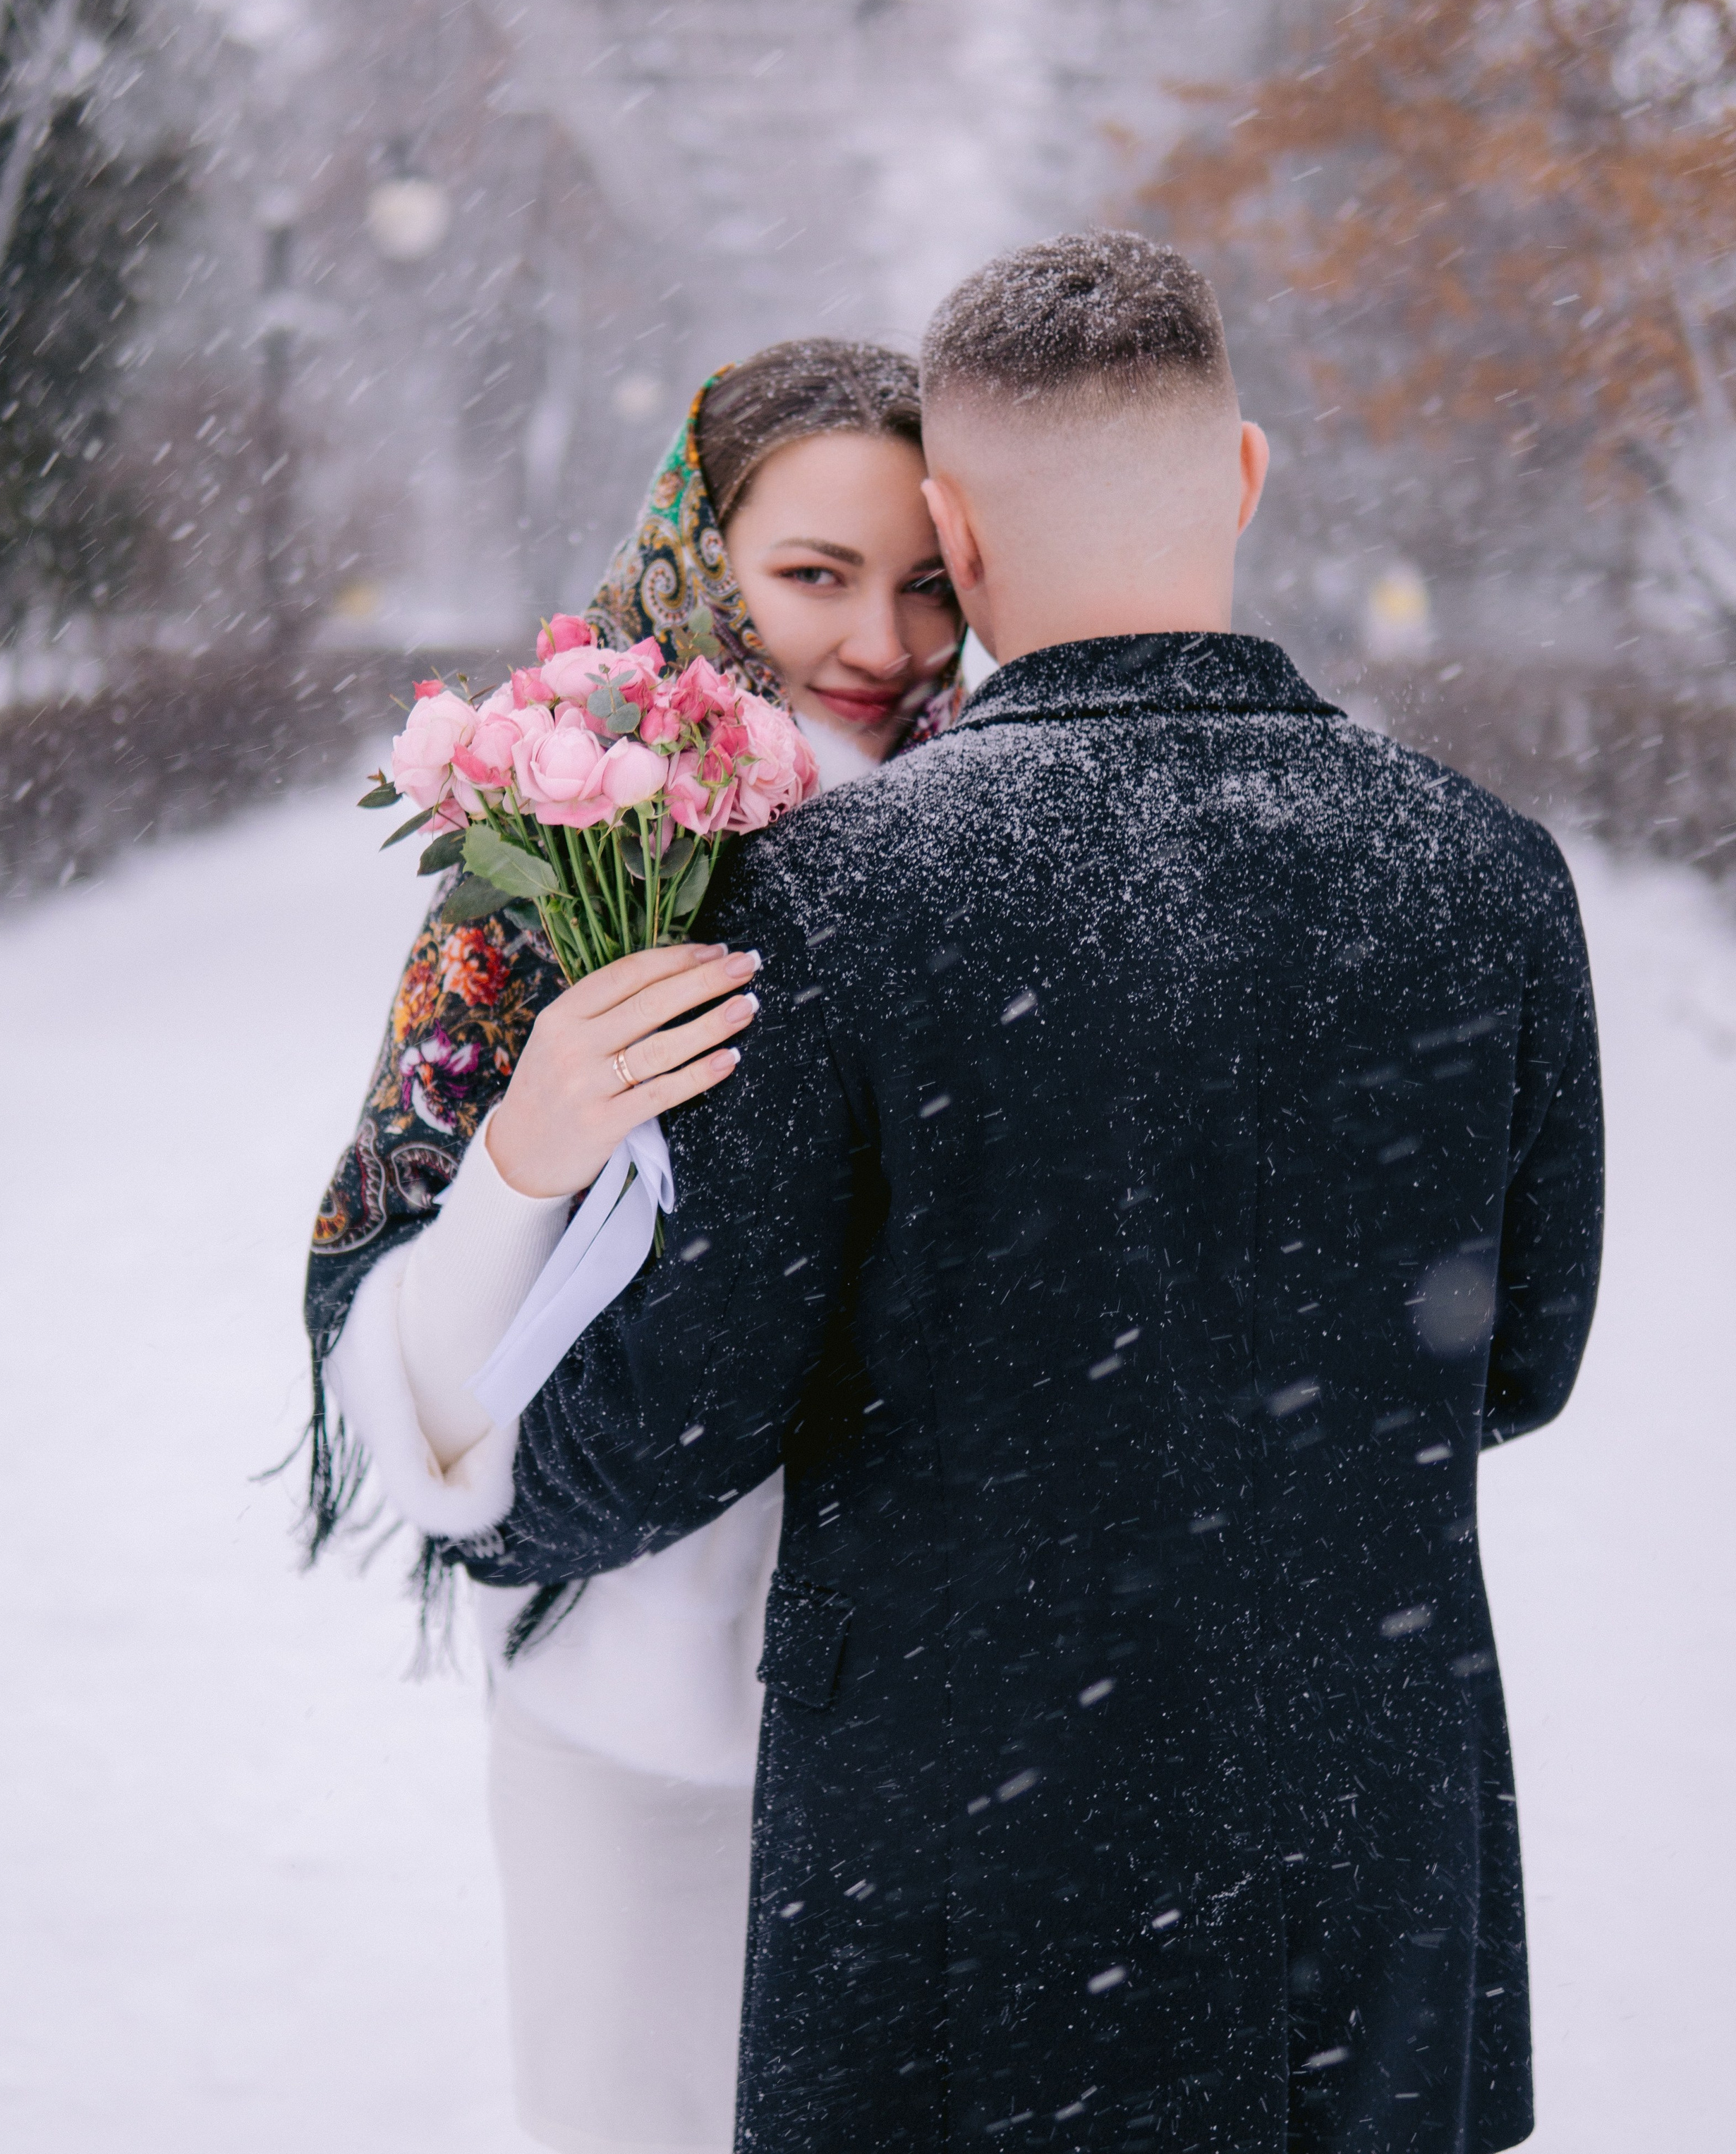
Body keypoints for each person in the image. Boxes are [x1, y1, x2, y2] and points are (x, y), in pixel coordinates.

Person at [450, 233, 1604, 2153]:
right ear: (1243, 477)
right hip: (1357, 1885)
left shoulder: (834, 901)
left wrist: (482, 1470)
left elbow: (669, 1424)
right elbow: (1520, 1361)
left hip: (960, 1912)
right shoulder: (1483, 873)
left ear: (958, 536)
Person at [302, 339, 962, 2154]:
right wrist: (528, 1152)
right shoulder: (562, 854)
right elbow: (427, 1402)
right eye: (815, 573)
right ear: (696, 553)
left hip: (947, 1723)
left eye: (927, 582)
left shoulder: (1001, 852)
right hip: (634, 1719)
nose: (884, 641)